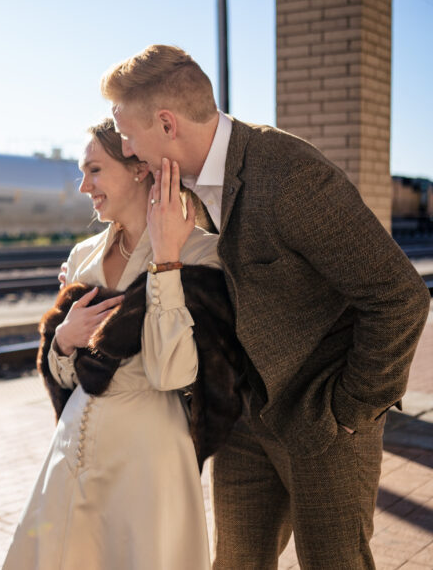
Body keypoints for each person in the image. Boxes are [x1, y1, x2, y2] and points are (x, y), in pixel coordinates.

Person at [103, 44, 431, 569]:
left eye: (126, 132)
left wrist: (348, 410)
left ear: (166, 123)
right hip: (244, 419)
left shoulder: (290, 176)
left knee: (334, 563)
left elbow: (401, 297)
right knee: (235, 563)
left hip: (322, 423)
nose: (124, 147)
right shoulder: (177, 185)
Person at [3, 118, 222, 570]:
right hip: (71, 452)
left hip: (148, 459)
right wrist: (63, 341)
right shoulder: (81, 256)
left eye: (95, 170)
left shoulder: (201, 253)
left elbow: (171, 372)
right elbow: (64, 371)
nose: (84, 186)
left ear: (139, 169)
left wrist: (166, 260)